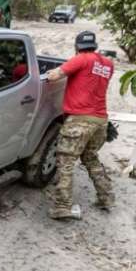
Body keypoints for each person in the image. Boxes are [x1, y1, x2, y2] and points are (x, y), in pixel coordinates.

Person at [44, 30, 115, 220]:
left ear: (77, 47)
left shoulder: (81, 59)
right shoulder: (108, 64)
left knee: (65, 162)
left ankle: (62, 206)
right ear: (95, 45)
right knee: (91, 158)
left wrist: (48, 73)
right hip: (100, 121)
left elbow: (54, 76)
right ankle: (106, 198)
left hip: (79, 120)